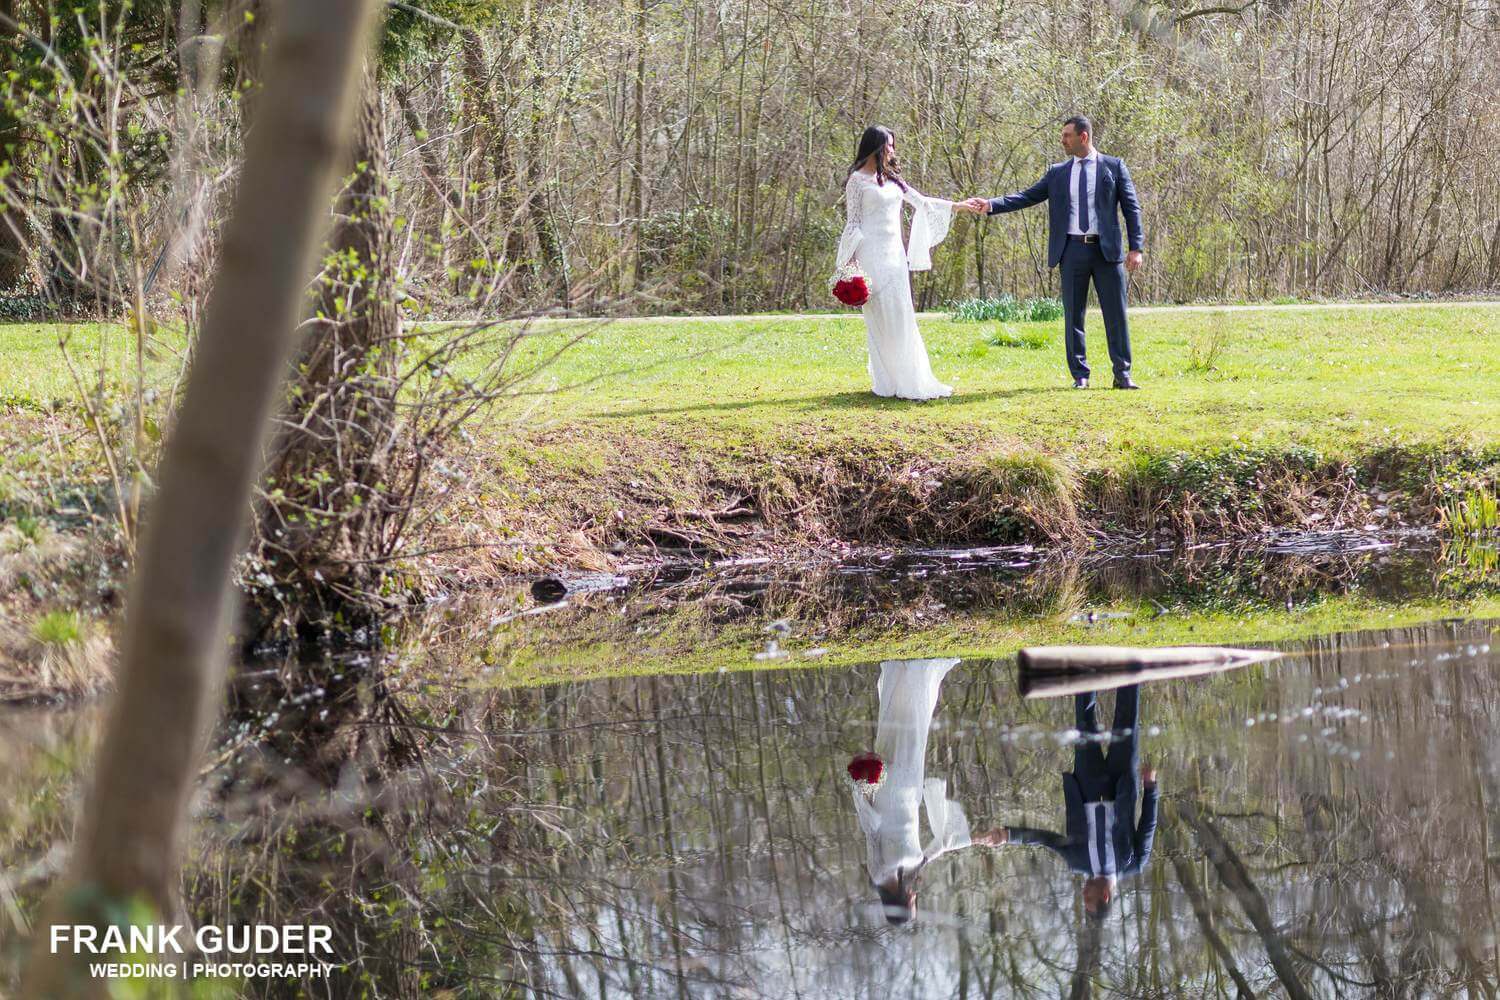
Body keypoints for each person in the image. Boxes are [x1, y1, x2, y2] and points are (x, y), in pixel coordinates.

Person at [964, 116, 1145, 390]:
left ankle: (1123, 374)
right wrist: (991, 204)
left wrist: (1136, 247)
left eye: (1067, 135)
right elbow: (1027, 196)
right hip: (1071, 250)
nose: (1062, 140)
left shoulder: (1114, 167)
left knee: (1116, 314)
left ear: (1083, 137)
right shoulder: (1057, 173)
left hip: (1107, 252)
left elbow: (1131, 208)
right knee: (1074, 316)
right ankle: (1080, 375)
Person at [974, 684, 1159, 921]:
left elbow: (1046, 840)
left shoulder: (1077, 861)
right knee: (1126, 722)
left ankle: (1086, 666)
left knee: (1084, 721)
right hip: (1121, 784)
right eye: (1088, 897)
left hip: (1087, 784)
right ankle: (1131, 664)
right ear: (1104, 896)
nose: (1083, 892)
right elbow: (1147, 827)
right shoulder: (1134, 863)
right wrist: (1151, 787)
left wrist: (1007, 835)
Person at [836, 126, 984, 401]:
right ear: (875, 147)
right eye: (888, 146)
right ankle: (888, 381)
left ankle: (911, 377)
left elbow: (922, 202)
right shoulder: (856, 181)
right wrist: (849, 264)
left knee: (901, 315)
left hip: (894, 256)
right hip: (870, 255)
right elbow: (853, 222)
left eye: (893, 145)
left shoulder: (893, 181)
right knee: (880, 318)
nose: (892, 150)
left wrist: (959, 206)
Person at [847, 657, 974, 924]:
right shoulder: (912, 870)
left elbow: (871, 832)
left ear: (901, 904)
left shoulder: (880, 874)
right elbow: (937, 848)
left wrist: (863, 791)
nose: (915, 897)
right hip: (910, 793)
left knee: (895, 732)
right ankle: (917, 674)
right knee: (915, 732)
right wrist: (958, 839)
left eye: (912, 903)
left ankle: (899, 671)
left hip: (888, 796)